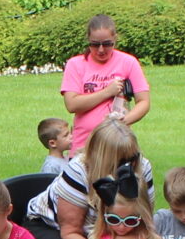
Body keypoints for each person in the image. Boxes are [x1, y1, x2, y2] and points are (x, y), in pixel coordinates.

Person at [27, 118, 152, 239]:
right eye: (121, 161)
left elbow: (143, 222)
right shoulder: (78, 170)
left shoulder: (142, 168)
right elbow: (70, 232)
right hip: (50, 225)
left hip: (103, 231)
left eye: (133, 158)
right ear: (102, 158)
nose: (128, 166)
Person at [60, 14, 151, 158]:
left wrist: (123, 121)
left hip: (118, 146)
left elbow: (144, 102)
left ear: (115, 39)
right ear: (88, 41)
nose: (101, 50)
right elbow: (71, 104)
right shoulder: (75, 64)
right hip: (84, 147)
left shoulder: (128, 62)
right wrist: (107, 92)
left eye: (107, 44)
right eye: (95, 44)